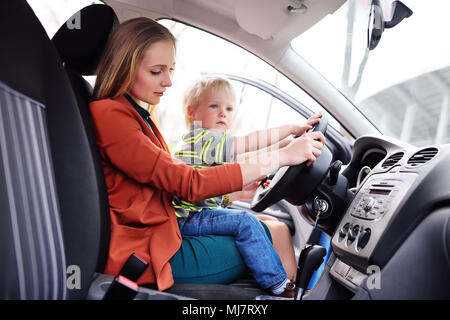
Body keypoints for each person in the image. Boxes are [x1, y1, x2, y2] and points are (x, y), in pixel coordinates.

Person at [90, 17, 325, 298]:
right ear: (126, 66)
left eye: (171, 69)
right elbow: (189, 182)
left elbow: (167, 188)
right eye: (156, 71)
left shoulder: (136, 116)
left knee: (268, 230)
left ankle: (286, 291)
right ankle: (287, 292)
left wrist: (233, 194)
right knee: (265, 236)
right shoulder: (111, 115)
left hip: (166, 233)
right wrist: (284, 155)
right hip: (150, 252)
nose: (168, 81)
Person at [172, 76, 322, 282]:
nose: (222, 113)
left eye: (229, 109)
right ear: (192, 112)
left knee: (271, 221)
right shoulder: (201, 138)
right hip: (186, 219)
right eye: (214, 106)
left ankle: (293, 286)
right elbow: (251, 142)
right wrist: (291, 130)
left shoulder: (210, 146)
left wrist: (243, 192)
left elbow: (235, 168)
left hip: (196, 213)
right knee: (246, 220)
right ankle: (280, 283)